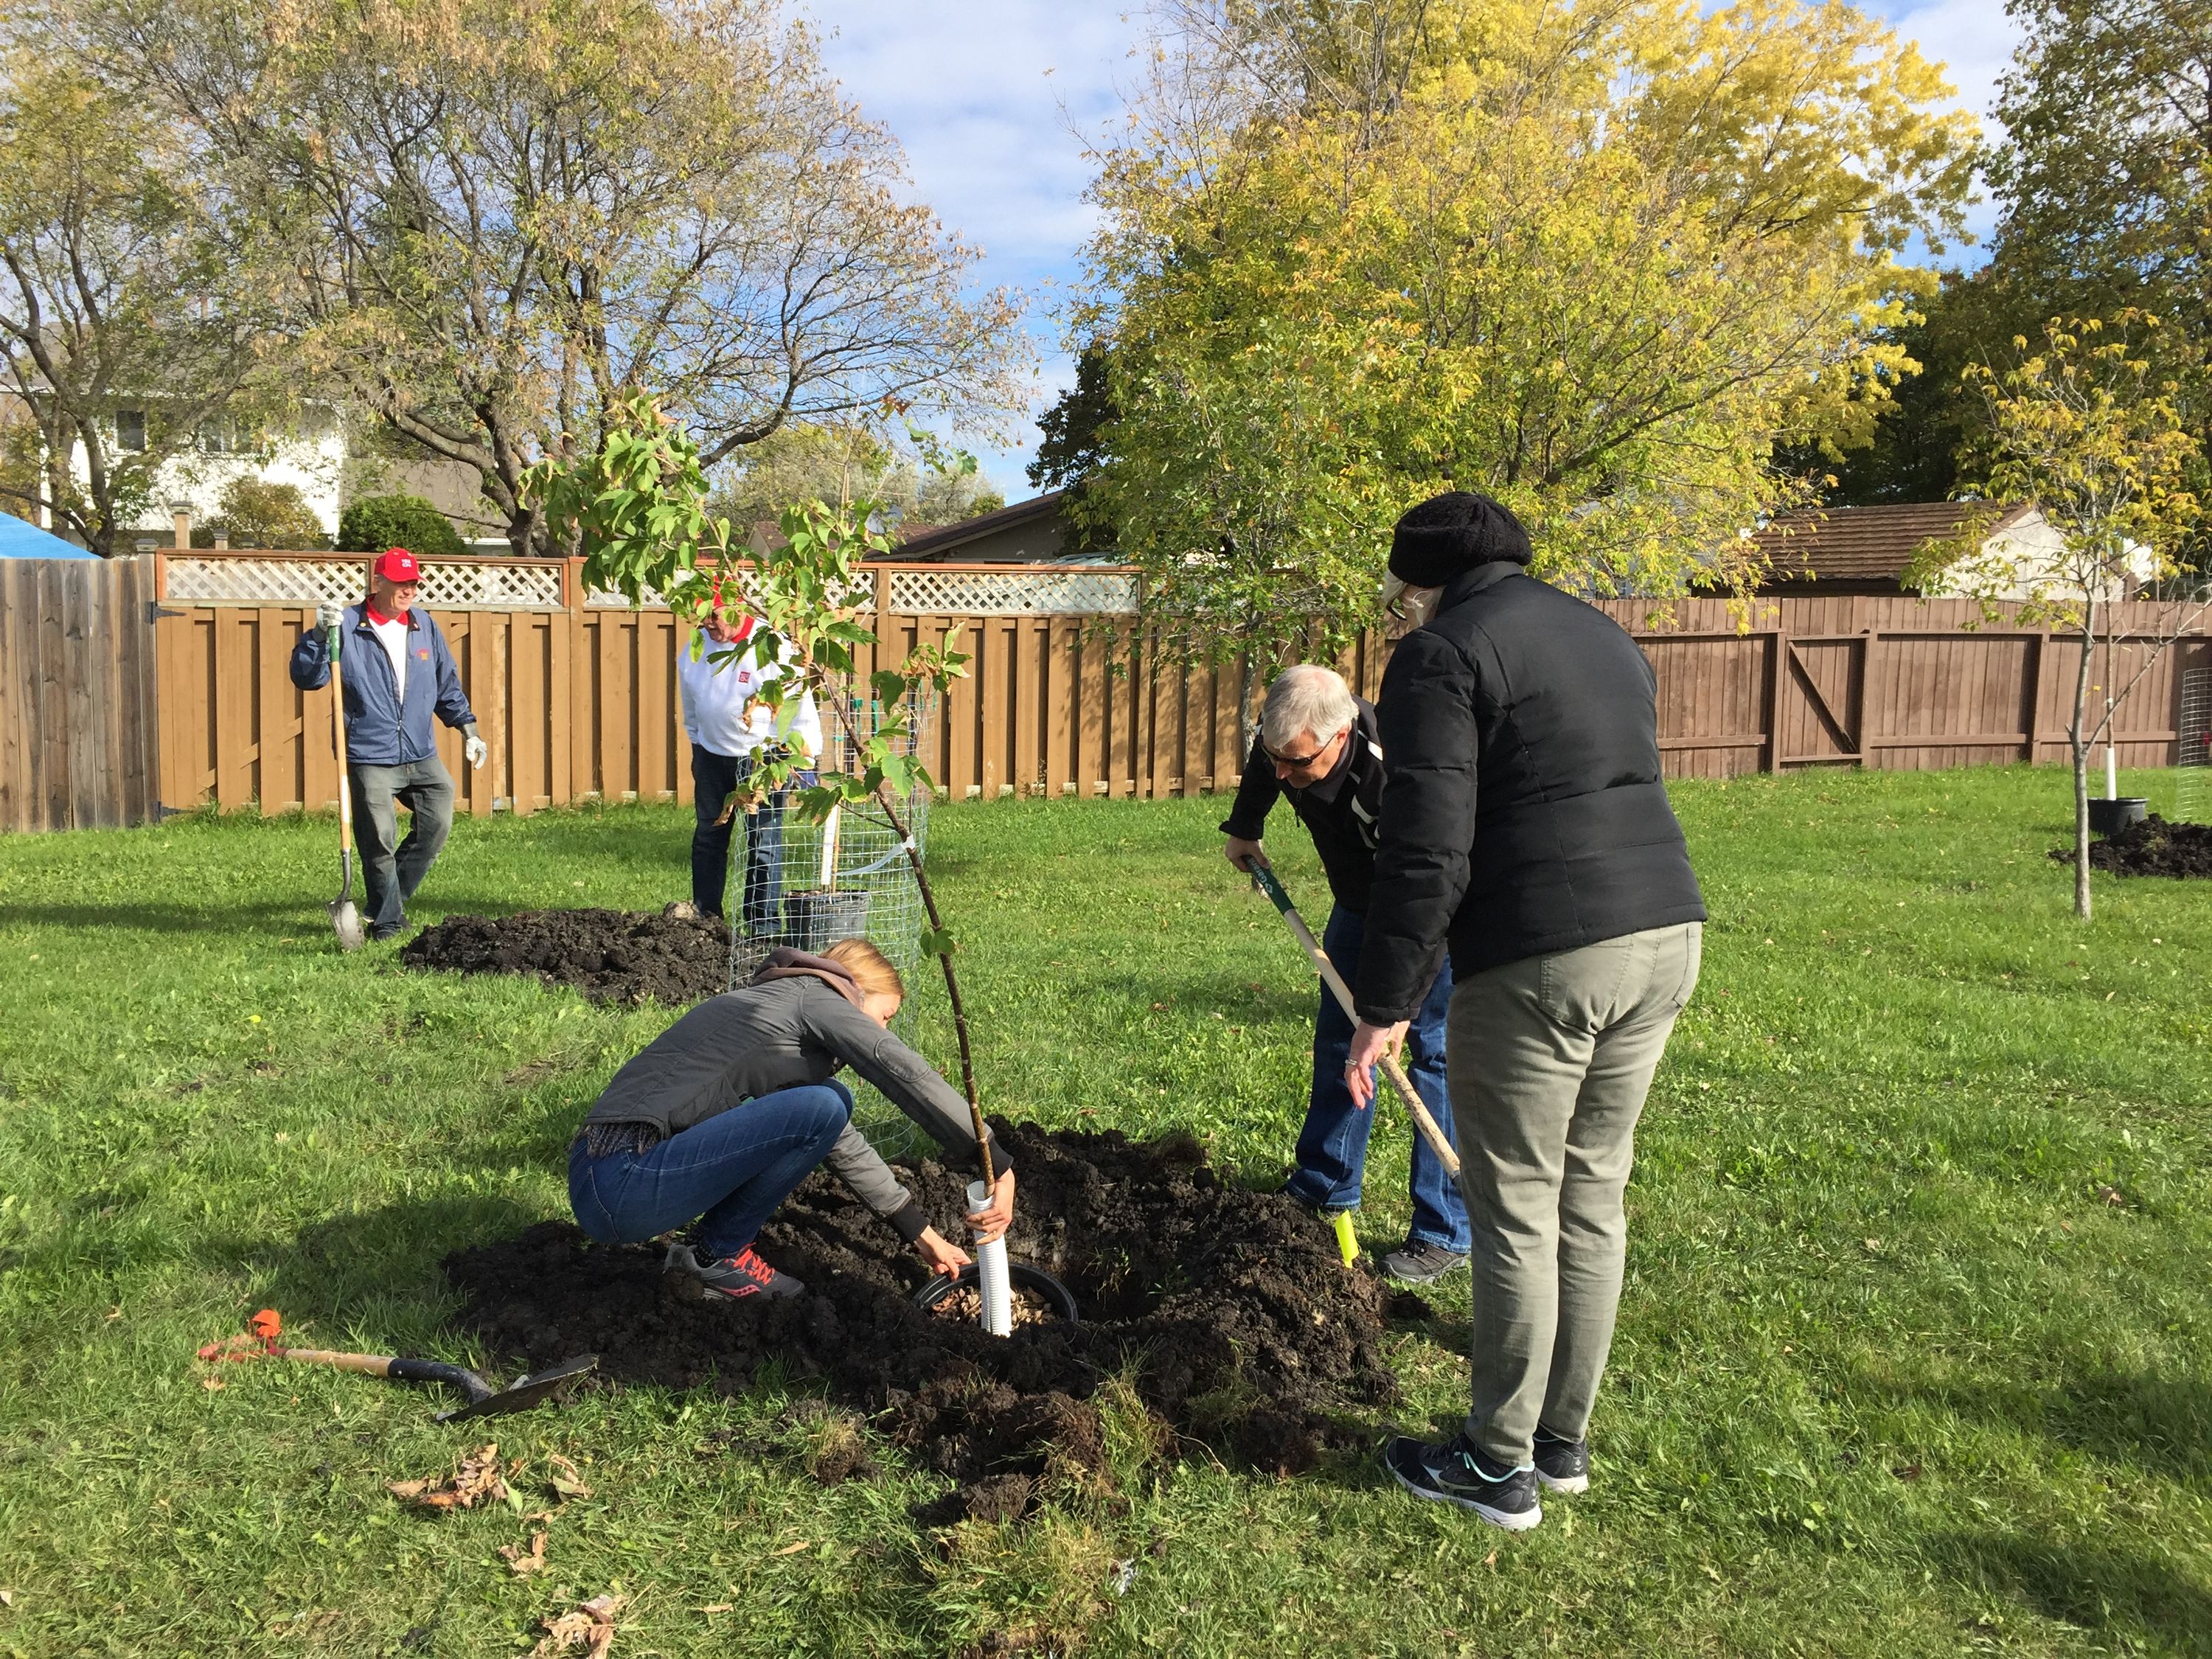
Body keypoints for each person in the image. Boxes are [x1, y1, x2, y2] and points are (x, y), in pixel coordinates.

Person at [1346, 491, 1705, 1532]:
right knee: (1594, 1195)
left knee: (1516, 1208)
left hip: (1547, 955)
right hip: (1666, 933)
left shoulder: (1442, 653)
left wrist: (1386, 1001)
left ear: (1421, 579)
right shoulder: (1604, 633)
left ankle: (1497, 1464)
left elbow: (1427, 846)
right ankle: (1561, 1443)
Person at [568, 937, 1014, 1298]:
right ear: (856, 990)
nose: (882, 1030)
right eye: (885, 1015)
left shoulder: (780, 1013)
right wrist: (993, 1159)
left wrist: (922, 1234)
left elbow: (837, 1138)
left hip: (611, 1181)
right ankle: (720, 1255)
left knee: (825, 1103)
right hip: (620, 1181)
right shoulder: (815, 996)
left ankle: (710, 1258)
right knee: (825, 1102)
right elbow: (897, 1067)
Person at [1220, 664, 1469, 1283]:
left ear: (1342, 737)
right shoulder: (1293, 737)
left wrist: (1398, 1008)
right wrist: (1246, 827)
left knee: (1435, 1056)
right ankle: (1323, 1185)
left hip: (1433, 916)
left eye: (1296, 764)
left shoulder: (1393, 779)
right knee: (1341, 1044)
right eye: (1275, 756)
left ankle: (1445, 1229)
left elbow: (1423, 897)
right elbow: (1267, 759)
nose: (1283, 773)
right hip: (1359, 903)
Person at [290, 547, 485, 942]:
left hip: (420, 751)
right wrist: (316, 636)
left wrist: (468, 728)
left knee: (437, 824)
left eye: (413, 583)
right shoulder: (345, 624)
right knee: (378, 838)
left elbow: (445, 681)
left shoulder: (423, 625)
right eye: (400, 583)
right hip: (369, 752)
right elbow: (307, 679)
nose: (409, 590)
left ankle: (384, 903)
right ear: (377, 582)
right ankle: (389, 923)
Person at [678, 605, 824, 933]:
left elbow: (800, 707)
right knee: (708, 837)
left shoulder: (771, 645)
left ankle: (763, 928)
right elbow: (690, 702)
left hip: (765, 759)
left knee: (764, 844)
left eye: (713, 615)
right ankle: (707, 920)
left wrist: (806, 759)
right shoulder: (697, 647)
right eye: (701, 615)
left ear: (735, 608)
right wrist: (697, 744)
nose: (706, 623)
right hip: (711, 755)